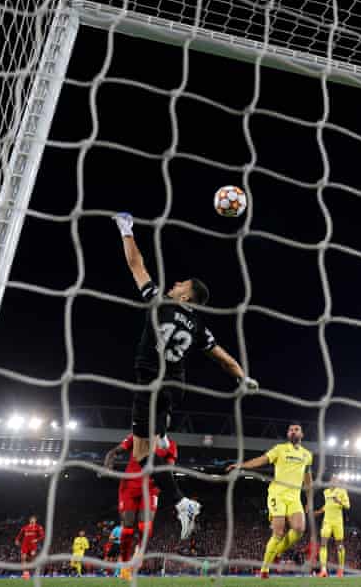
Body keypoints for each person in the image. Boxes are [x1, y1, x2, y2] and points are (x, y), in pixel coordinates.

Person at [113, 212, 258, 539]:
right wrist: (243, 378)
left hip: (149, 381)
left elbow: (137, 265)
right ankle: (162, 436)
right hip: (174, 387)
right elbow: (224, 358)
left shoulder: (160, 302)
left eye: (181, 284)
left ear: (186, 296)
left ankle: (181, 502)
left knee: (141, 455)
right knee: (154, 443)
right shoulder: (200, 327)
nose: (175, 284)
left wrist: (126, 230)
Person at [227, 423, 313, 579]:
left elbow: (308, 479)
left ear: (302, 434)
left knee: (300, 529)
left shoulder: (307, 455)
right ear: (288, 434)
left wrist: (309, 500)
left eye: (296, 429)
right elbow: (262, 460)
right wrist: (241, 466)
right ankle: (264, 570)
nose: (293, 431)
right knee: (279, 532)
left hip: (294, 497)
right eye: (291, 430)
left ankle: (277, 551)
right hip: (277, 494)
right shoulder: (279, 449)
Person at [104, 433, 178, 579]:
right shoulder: (137, 436)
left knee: (145, 526)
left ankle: (139, 553)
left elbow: (169, 470)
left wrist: (166, 485)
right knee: (128, 527)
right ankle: (125, 565)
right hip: (129, 486)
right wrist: (109, 460)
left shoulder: (171, 445)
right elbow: (114, 451)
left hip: (151, 488)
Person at [314, 473, 350, 577]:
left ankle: (341, 570)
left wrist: (339, 501)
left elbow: (347, 506)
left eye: (336, 480)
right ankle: (323, 570)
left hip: (338, 522)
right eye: (332, 479)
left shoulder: (342, 491)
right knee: (323, 544)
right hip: (327, 521)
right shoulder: (326, 492)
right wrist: (319, 512)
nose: (334, 481)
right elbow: (327, 505)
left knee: (339, 545)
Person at [14, 515, 45, 580]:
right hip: (24, 545)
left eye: (33, 519)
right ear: (29, 520)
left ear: (35, 520)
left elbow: (42, 535)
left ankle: (28, 572)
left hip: (33, 545)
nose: (32, 520)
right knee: (23, 558)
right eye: (31, 519)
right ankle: (25, 573)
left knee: (31, 559)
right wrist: (17, 540)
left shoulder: (38, 527)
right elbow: (20, 534)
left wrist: (37, 539)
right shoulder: (25, 527)